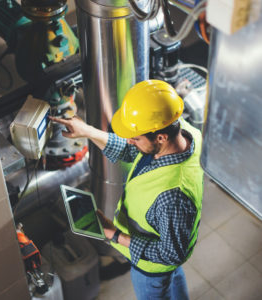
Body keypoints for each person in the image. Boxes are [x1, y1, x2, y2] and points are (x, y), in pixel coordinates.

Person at [50, 80, 203, 300]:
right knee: (173, 276)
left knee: (165, 274)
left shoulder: (173, 196)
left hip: (150, 267)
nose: (130, 141)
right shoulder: (184, 132)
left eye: (136, 137)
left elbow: (170, 254)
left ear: (160, 137)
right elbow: (133, 152)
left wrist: (113, 234)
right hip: (168, 248)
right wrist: (88, 132)